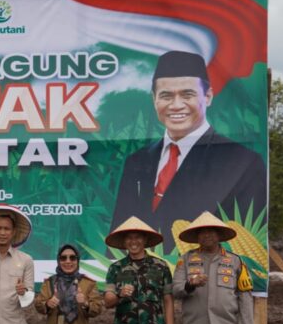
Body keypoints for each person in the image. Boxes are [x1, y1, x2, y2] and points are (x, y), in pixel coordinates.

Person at [111, 50, 266, 251]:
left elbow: (248, 239)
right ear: (154, 99)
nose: (176, 105)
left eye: (187, 95)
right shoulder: (137, 160)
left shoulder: (242, 161)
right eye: (166, 96)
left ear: (208, 96)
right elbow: (119, 233)